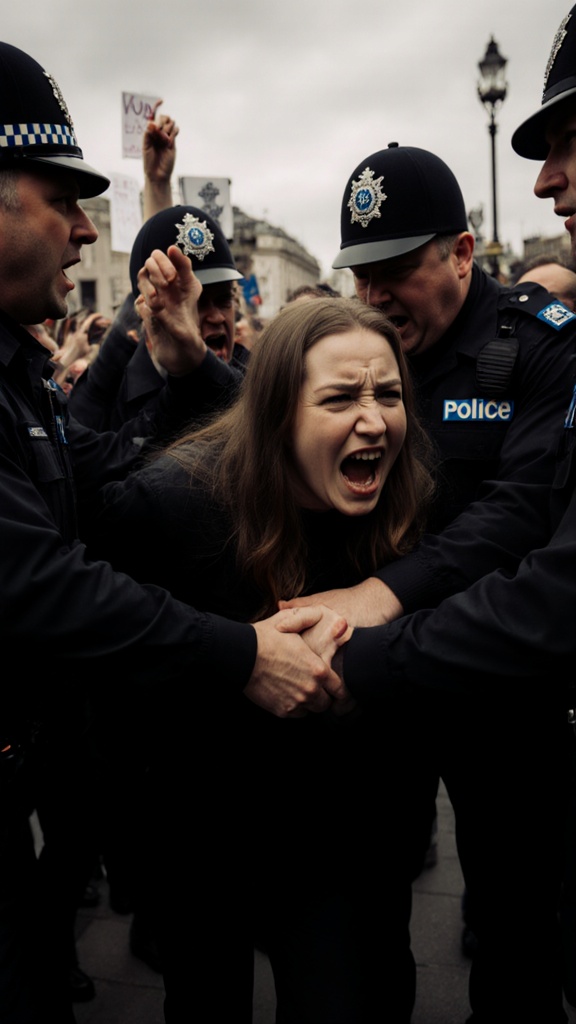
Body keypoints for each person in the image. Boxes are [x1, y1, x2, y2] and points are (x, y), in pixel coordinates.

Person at [0, 40, 347, 1024]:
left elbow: (109, 478)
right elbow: (41, 577)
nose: (80, 227)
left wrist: (202, 373)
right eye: (61, 196)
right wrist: (239, 652)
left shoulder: (16, 375)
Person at [285, 141, 576, 1020]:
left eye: (397, 270)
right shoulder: (366, 348)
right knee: (368, 915)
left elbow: (520, 515)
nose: (373, 295)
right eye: (360, 272)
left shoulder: (537, 347)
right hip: (380, 689)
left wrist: (385, 595)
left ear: (460, 253)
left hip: (501, 684)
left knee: (516, 928)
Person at [88, 296, 434, 1023]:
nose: (374, 421)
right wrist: (235, 663)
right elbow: (106, 654)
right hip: (202, 835)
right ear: (278, 412)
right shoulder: (174, 501)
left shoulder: (412, 502)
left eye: (390, 395)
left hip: (342, 838)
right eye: (340, 398)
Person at [68, 204, 249, 430]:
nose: (216, 317)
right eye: (196, 302)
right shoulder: (113, 398)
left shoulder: (258, 377)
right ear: (150, 313)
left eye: (224, 300)